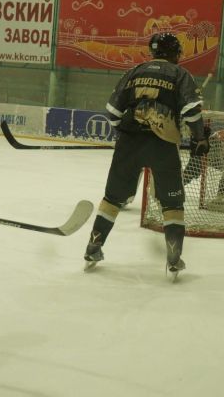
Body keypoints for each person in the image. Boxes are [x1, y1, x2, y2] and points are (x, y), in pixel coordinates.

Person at [83, 33, 209, 279]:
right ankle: (173, 256)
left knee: (112, 198)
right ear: (174, 53)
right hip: (163, 146)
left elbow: (112, 113)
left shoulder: (133, 72)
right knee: (172, 203)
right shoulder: (180, 74)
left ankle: (93, 248)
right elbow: (192, 111)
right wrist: (199, 139)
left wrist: (128, 133)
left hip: (129, 145)